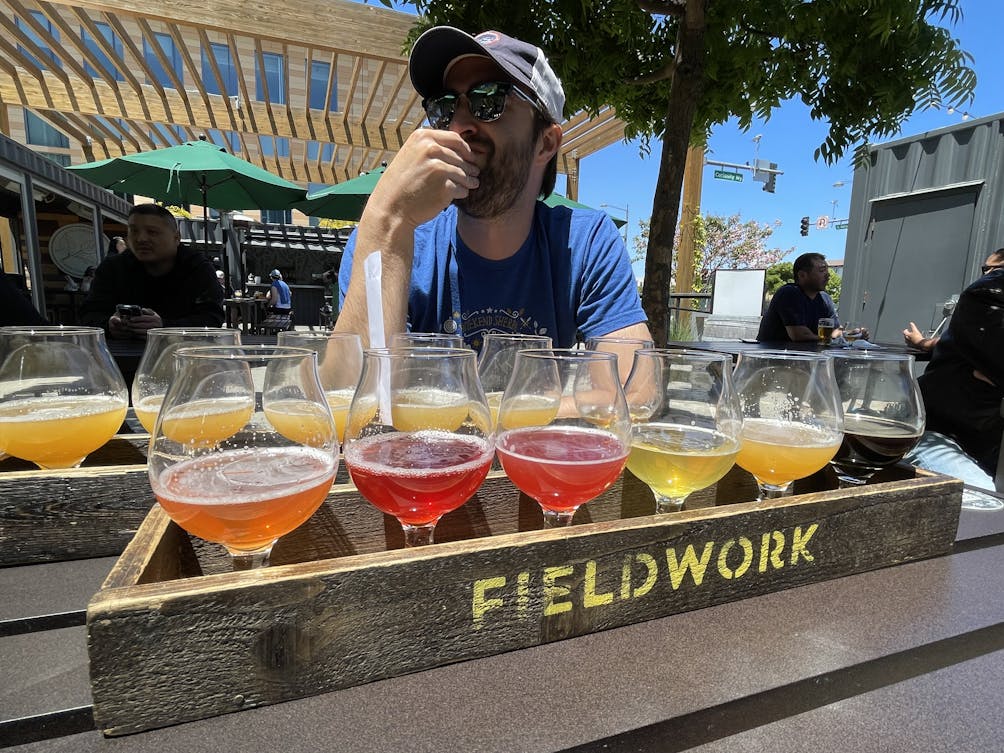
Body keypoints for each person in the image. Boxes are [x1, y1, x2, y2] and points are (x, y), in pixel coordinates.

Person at [335, 27, 649, 350]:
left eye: (488, 99)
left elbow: (633, 389)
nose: (459, 126)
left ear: (546, 142)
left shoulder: (583, 243)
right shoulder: (393, 238)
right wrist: (385, 214)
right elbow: (358, 392)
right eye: (444, 108)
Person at [905, 249, 1004, 489]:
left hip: (988, 440)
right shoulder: (989, 294)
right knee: (987, 503)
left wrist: (922, 344)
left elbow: (951, 341)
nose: (989, 274)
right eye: (988, 269)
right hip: (946, 433)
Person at [79, 204, 225, 338]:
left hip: (182, 354)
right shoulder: (113, 267)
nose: (141, 238)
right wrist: (109, 325)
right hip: (119, 357)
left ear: (176, 237)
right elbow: (89, 315)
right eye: (134, 231)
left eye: (152, 232)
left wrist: (164, 328)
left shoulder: (196, 267)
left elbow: (212, 318)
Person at [757, 252, 866, 342]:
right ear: (802, 275)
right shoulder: (789, 293)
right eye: (822, 271)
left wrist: (851, 334)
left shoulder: (824, 299)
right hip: (776, 359)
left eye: (827, 271)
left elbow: (835, 331)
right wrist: (834, 338)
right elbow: (799, 335)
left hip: (808, 360)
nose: (828, 275)